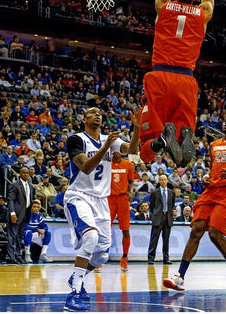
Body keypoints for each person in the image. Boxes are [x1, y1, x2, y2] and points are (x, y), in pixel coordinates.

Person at [138, 0, 214, 167]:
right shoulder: (204, 13)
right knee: (184, 124)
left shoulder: (164, 5)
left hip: (160, 75)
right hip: (186, 79)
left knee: (144, 149)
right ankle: (184, 134)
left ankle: (161, 139)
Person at [163, 115, 226, 291]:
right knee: (196, 230)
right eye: (225, 120)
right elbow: (215, 168)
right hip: (212, 190)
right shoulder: (214, 145)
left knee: (214, 233)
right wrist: (207, 176)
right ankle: (180, 276)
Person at [63, 107, 140, 311]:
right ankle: (74, 293)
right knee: (90, 238)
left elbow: (132, 150)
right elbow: (86, 167)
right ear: (84, 119)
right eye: (92, 112)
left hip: (101, 200)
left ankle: (75, 278)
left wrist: (137, 126)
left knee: (102, 255)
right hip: (78, 195)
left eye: (100, 112)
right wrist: (106, 146)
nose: (98, 114)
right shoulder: (76, 139)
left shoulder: (110, 139)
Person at [108, 151, 135, 271]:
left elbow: (131, 181)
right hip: (109, 198)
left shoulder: (128, 164)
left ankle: (124, 257)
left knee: (125, 229)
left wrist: (130, 192)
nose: (116, 153)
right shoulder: (107, 164)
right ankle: (99, 258)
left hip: (123, 198)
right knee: (104, 229)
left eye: (118, 150)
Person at [6, 167, 34, 264]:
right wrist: (12, 213)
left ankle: (17, 255)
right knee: (12, 236)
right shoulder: (15, 185)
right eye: (23, 172)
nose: (26, 174)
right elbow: (10, 200)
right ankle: (10, 257)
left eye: (27, 173)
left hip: (25, 214)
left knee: (19, 237)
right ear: (19, 174)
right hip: (16, 214)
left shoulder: (30, 186)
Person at [147, 174, 175, 265]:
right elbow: (152, 206)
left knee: (166, 240)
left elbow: (172, 205)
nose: (163, 181)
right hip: (158, 217)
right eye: (161, 179)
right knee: (154, 239)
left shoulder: (172, 192)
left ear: (167, 181)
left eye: (164, 179)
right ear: (159, 181)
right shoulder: (155, 192)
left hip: (168, 217)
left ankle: (166, 258)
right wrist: (154, 215)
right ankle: (151, 258)